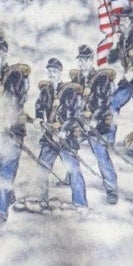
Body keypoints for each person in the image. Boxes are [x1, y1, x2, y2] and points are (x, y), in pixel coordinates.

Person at [34, 57, 88, 210]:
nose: (51, 74)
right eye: (49, 71)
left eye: (54, 71)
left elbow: (74, 116)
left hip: (66, 138)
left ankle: (81, 204)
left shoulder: (69, 91)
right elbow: (39, 107)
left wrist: (63, 131)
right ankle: (41, 200)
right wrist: (39, 118)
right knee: (41, 169)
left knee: (74, 171)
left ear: (60, 72)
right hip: (50, 136)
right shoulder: (45, 91)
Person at [71, 43, 120, 204]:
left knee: (101, 156)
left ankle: (112, 190)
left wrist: (94, 119)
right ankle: (69, 177)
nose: (83, 63)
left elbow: (103, 103)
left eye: (86, 60)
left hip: (96, 124)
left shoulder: (100, 79)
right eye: (81, 60)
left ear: (91, 60)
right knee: (68, 147)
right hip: (80, 123)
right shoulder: (76, 79)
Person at [0, 59, 32, 222]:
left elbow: (15, 102)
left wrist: (10, 121)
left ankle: (0, 211)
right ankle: (8, 194)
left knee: (6, 170)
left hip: (13, 131)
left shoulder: (15, 76)